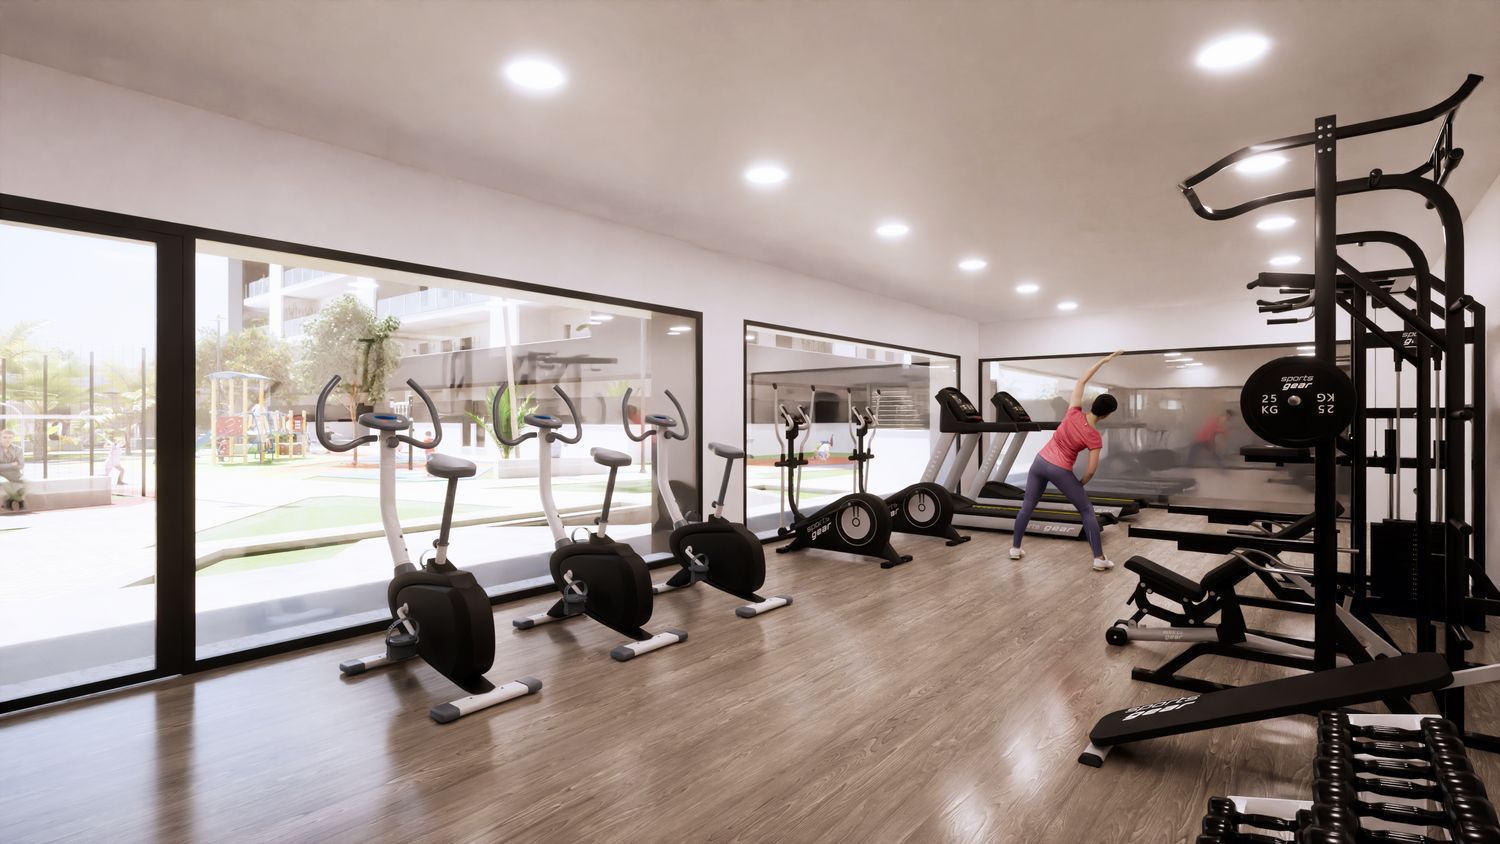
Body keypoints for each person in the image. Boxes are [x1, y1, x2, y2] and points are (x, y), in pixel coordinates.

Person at [1009, 351, 1123, 570]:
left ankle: (1015, 548)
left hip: (1039, 461)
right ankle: (1099, 559)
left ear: (1093, 404)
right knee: (1086, 510)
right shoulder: (1094, 436)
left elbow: (1081, 381)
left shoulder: (1073, 412)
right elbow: (1091, 469)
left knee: (1028, 506)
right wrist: (1080, 483)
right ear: (1107, 414)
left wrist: (1103, 361)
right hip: (1060, 469)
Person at [0, 428, 26, 511]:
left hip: (15, 474)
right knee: (4, 482)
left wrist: (3, 466)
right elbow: (16, 465)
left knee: (30, 482)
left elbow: (21, 465)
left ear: (13, 438)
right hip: (1, 475)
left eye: (10, 437)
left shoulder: (18, 449)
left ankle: (9, 501)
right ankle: (21, 501)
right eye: (5, 437)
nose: (7, 439)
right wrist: (11, 464)